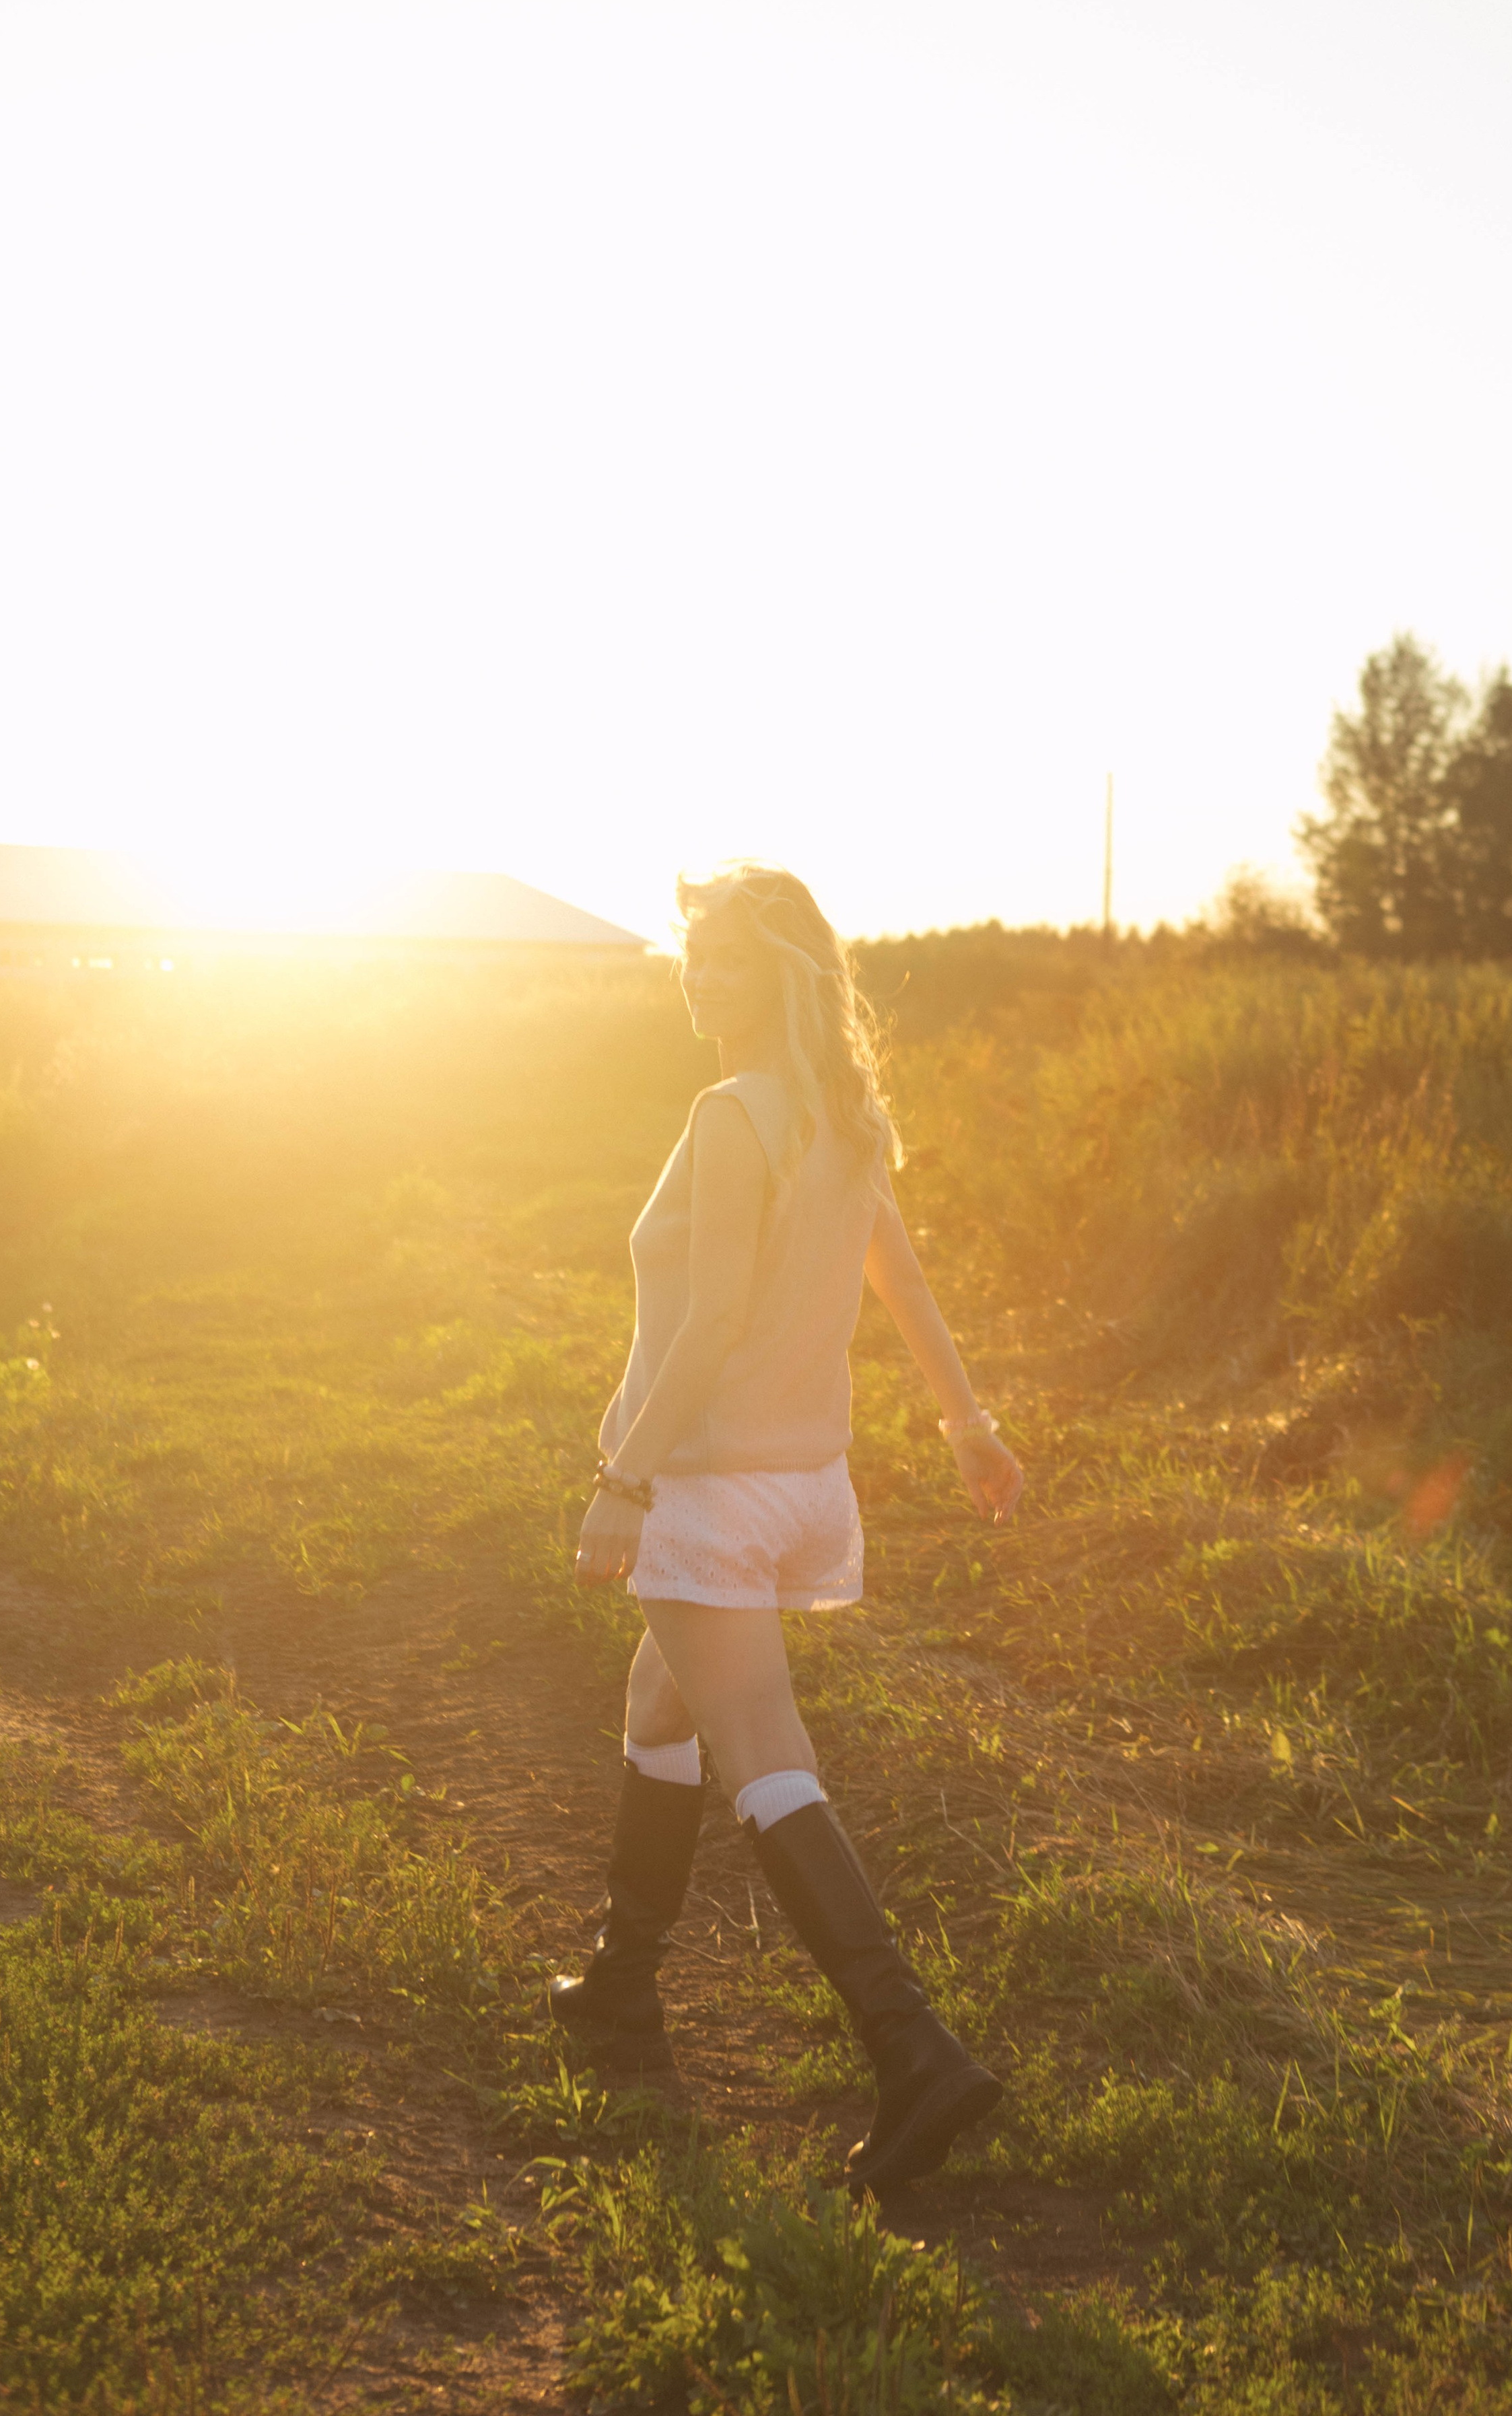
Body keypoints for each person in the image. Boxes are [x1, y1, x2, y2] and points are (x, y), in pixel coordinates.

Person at [551, 864, 1024, 2195]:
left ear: (783, 980)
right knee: (662, 1696)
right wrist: (965, 1423)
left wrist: (622, 1482)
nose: (699, 982)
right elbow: (895, 1264)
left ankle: (913, 2051)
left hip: (709, 1487)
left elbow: (706, 1324)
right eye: (691, 958)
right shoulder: (838, 1111)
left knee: (763, 1752)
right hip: (801, 1476)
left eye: (726, 962)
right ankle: (622, 1977)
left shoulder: (731, 1114)